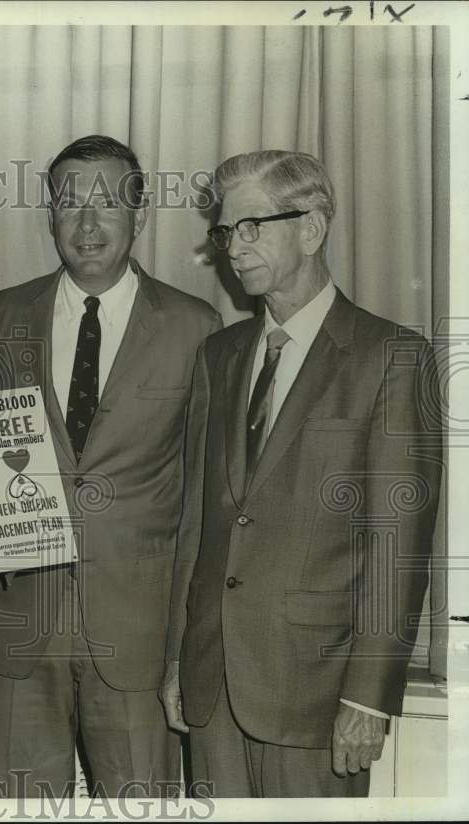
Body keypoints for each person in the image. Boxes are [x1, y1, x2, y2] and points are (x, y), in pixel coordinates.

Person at [160, 150, 442, 797]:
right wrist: (179, 655)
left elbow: (397, 548)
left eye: (252, 226)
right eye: (227, 231)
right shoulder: (219, 356)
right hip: (212, 686)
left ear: (312, 229)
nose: (235, 247)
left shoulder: (393, 357)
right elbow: (195, 528)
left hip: (318, 695)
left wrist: (368, 699)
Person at [0, 135, 222, 798]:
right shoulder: (1, 316)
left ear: (141, 213)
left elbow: (201, 507)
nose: (87, 223)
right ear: (50, 216)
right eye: (69, 203)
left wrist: (183, 645)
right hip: (20, 633)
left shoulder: (196, 327)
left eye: (107, 203)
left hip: (136, 640)